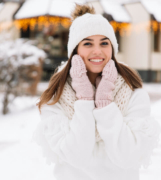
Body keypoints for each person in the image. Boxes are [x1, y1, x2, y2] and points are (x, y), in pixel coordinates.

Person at [34, 4, 161, 180]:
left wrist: (105, 105)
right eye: (87, 43)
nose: (97, 51)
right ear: (75, 50)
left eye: (104, 43)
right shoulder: (57, 97)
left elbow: (128, 157)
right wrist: (85, 100)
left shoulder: (133, 93)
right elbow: (76, 156)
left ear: (112, 49)